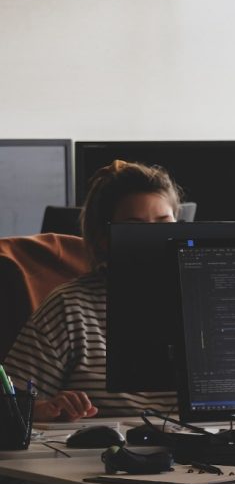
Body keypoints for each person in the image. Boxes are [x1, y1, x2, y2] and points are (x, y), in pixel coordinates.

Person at [4, 160, 180, 420]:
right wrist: (43, 409)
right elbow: (7, 409)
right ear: (102, 238)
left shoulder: (207, 298)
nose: (152, 238)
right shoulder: (70, 306)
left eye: (164, 224)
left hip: (209, 450)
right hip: (106, 455)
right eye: (134, 227)